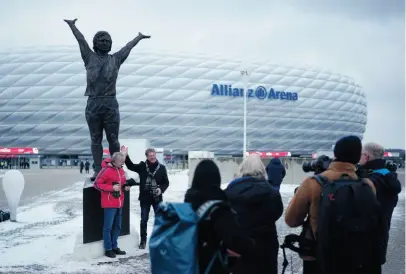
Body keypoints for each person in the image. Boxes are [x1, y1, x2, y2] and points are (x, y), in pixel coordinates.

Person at [63, 18, 151, 181]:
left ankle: (117, 169)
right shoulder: (89, 57)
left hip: (110, 103)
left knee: (113, 139)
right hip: (93, 103)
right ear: (95, 43)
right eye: (101, 40)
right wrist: (73, 26)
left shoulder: (116, 59)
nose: (105, 42)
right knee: (95, 139)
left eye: (108, 40)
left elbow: (127, 47)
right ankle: (98, 170)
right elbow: (80, 40)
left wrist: (138, 37)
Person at [285, 136, 379, 274]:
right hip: (356, 257)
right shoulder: (367, 185)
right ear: (358, 158)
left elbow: (291, 220)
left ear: (335, 154)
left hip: (318, 258)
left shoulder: (313, 183)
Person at [184, 159, 257, 273]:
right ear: (217, 179)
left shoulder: (187, 205)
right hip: (210, 267)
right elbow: (238, 240)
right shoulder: (217, 209)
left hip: (187, 266)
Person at [225, 154, 283, 274]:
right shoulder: (272, 193)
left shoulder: (229, 192)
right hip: (266, 251)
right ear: (263, 170)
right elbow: (278, 212)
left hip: (240, 250)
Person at [359, 142, 402, 267]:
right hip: (381, 241)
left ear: (366, 156)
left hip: (363, 243)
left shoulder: (370, 180)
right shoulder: (388, 177)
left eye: (361, 154)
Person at [121, 146, 169, 249]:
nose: (152, 157)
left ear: (155, 155)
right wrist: (126, 155)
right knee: (143, 220)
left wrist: (161, 189)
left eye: (153, 155)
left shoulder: (162, 168)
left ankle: (160, 239)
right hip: (145, 198)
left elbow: (166, 182)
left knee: (160, 219)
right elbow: (130, 166)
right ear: (147, 157)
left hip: (157, 198)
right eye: (150, 156)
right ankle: (143, 241)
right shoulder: (142, 166)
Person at [93, 152, 131, 258]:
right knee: (108, 228)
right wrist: (111, 188)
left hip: (119, 203)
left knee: (117, 226)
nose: (123, 163)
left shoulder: (121, 169)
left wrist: (125, 187)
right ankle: (108, 249)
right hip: (109, 204)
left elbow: (122, 183)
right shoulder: (105, 170)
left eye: (123, 161)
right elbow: (96, 184)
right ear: (114, 161)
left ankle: (114, 246)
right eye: (121, 161)